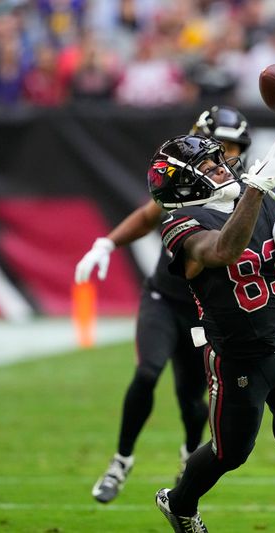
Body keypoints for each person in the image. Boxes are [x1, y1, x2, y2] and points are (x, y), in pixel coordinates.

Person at [148, 134, 275, 532]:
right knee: (231, 452)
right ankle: (180, 503)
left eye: (219, 162)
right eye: (209, 168)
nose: (224, 169)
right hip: (237, 356)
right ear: (184, 185)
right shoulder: (179, 223)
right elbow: (222, 250)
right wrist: (254, 193)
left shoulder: (249, 199)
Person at [75, 106, 253, 504]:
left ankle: (189, 457)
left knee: (192, 397)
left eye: (230, 148)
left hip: (202, 311)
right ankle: (120, 460)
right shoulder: (184, 184)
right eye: (218, 145)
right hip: (163, 299)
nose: (223, 156)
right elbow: (147, 214)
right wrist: (107, 242)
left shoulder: (244, 191)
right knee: (147, 372)